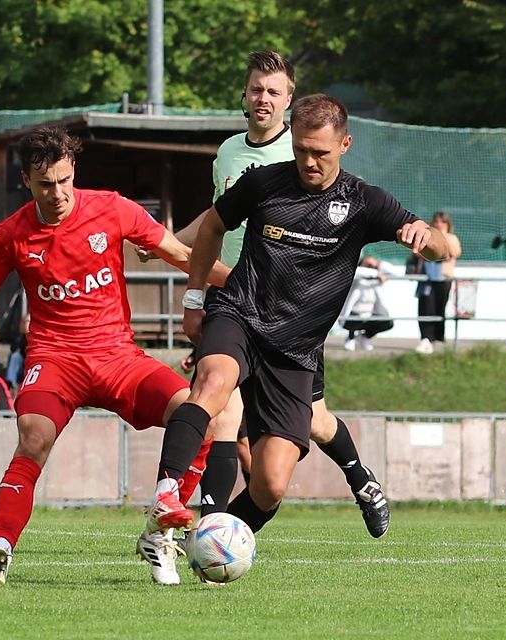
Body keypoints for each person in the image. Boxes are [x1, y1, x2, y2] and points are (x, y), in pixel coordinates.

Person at [142, 94, 448, 579]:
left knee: (270, 486)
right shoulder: (264, 183)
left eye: (320, 153)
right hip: (240, 313)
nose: (308, 161)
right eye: (302, 149)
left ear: (345, 144)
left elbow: (448, 247)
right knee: (213, 384)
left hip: (295, 351)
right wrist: (195, 299)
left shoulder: (365, 202)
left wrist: (423, 234)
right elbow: (214, 226)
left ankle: (211, 549)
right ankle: (164, 498)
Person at [0, 126, 230, 586]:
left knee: (199, 414)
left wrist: (241, 284)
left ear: (73, 170)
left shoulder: (111, 208)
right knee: (33, 437)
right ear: (27, 181)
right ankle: (0, 548)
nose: (58, 192)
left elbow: (181, 254)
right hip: (55, 359)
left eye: (64, 180)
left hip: (117, 356)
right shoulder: (11, 234)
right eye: (46, 184)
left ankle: (159, 529)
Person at [162, 52, 392, 542]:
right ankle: (186, 519)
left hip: (296, 323)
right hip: (239, 300)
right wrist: (172, 252)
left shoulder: (305, 156)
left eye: (273, 91)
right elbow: (216, 218)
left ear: (290, 101)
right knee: (220, 405)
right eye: (255, 89)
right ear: (243, 95)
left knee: (312, 425)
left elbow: (406, 228)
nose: (263, 98)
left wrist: (423, 236)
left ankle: (360, 479)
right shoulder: (230, 154)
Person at [415, 210, 462, 354]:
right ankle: (426, 338)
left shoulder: (451, 238)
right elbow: (418, 252)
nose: (439, 224)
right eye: (436, 221)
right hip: (427, 279)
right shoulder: (427, 236)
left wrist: (441, 240)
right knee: (426, 307)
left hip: (443, 278)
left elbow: (455, 252)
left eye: (442, 222)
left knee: (439, 308)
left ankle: (437, 337)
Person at [340, 255, 394, 351]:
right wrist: (376, 273)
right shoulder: (356, 279)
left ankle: (364, 337)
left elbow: (394, 271)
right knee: (356, 318)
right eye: (368, 265)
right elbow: (357, 271)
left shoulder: (376, 281)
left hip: (368, 314)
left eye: (372, 265)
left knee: (387, 323)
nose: (370, 266)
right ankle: (350, 338)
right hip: (352, 315)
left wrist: (379, 264)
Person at [5, 312, 30, 393]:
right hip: (21, 364)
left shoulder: (35, 337)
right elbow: (13, 349)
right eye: (24, 322)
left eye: (28, 321)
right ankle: (11, 384)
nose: (25, 324)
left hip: (32, 363)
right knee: (15, 356)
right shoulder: (19, 337)